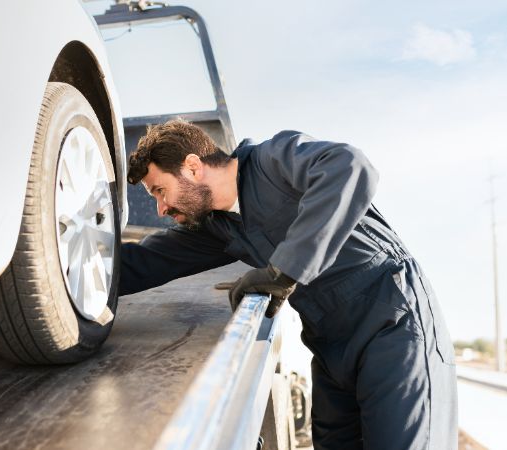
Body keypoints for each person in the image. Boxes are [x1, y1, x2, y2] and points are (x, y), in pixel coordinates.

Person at [119, 120, 457, 450]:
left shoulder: (273, 160)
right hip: (329, 346)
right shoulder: (217, 227)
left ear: (193, 167)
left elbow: (350, 165)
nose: (160, 209)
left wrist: (283, 271)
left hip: (391, 321)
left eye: (160, 191)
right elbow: (145, 262)